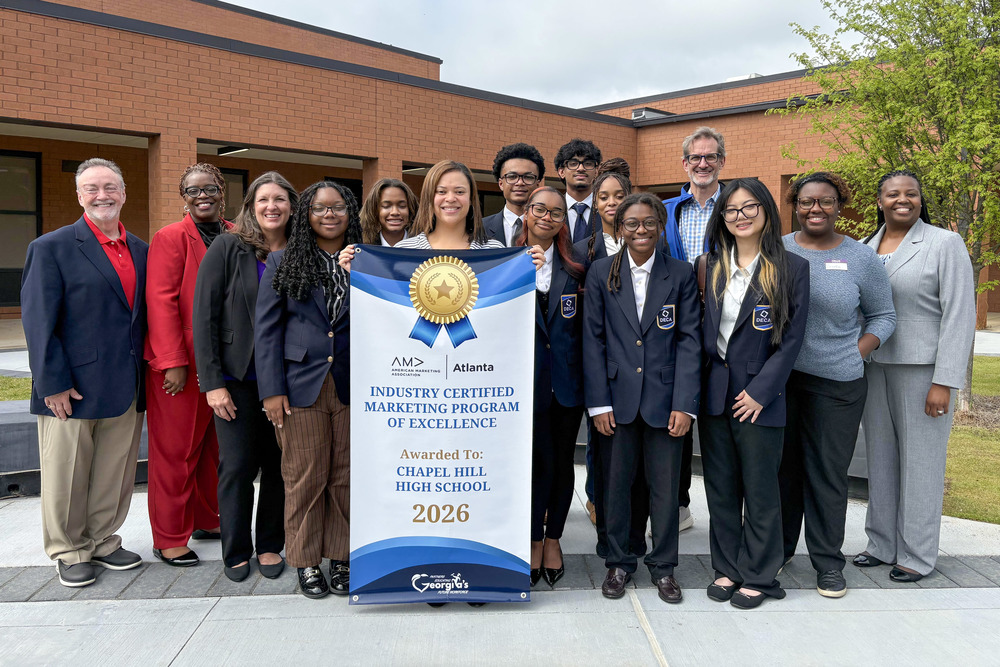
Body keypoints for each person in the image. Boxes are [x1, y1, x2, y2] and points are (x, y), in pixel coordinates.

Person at [21, 158, 147, 587]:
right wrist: (52, 382)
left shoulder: (142, 250)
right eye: (92, 188)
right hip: (69, 387)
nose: (102, 195)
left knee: (114, 470)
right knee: (66, 472)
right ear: (79, 196)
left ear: (123, 194)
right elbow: (39, 322)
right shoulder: (51, 247)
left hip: (125, 383)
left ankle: (102, 539)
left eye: (110, 187)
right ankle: (69, 548)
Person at [779, 172, 896, 598]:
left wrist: (857, 352)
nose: (816, 209)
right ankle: (779, 549)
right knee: (783, 470)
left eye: (826, 202)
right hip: (783, 380)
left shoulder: (860, 257)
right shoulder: (779, 248)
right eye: (808, 201)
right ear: (795, 204)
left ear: (839, 205)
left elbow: (885, 316)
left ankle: (828, 562)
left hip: (838, 383)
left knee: (827, 474)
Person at [857, 169, 975, 582]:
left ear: (921, 201)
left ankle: (917, 554)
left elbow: (960, 314)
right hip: (873, 369)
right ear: (880, 201)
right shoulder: (864, 248)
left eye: (911, 194)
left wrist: (945, 380)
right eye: (892, 194)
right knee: (881, 461)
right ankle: (881, 543)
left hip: (923, 373)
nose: (902, 200)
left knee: (921, 465)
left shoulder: (945, 243)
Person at [583, 193, 701, 604]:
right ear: (620, 228)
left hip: (666, 401)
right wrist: (598, 404)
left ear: (661, 225)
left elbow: (689, 341)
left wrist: (685, 404)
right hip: (614, 402)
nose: (640, 230)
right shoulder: (600, 273)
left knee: (665, 491)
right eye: (631, 223)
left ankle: (664, 567)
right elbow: (592, 340)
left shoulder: (681, 273)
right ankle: (619, 562)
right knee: (616, 487)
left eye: (649, 222)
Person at [699, 179, 809, 608]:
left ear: (765, 210)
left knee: (761, 490)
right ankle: (727, 568)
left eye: (749, 208)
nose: (740, 216)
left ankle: (760, 573)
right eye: (731, 210)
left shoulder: (791, 268)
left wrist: (761, 391)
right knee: (722, 489)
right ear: (721, 217)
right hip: (714, 395)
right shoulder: (707, 264)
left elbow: (792, 340)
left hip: (760, 398)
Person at [256, 180, 361, 599]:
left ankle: (340, 558)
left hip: (354, 385)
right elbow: (266, 332)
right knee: (303, 477)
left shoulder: (367, 260)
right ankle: (304, 561)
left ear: (350, 213)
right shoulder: (283, 262)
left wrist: (360, 276)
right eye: (320, 208)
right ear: (307, 215)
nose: (330, 214)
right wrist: (271, 390)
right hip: (300, 387)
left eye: (338, 207)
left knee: (345, 477)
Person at [192, 171, 296, 582]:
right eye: (263, 199)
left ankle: (270, 545)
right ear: (251, 206)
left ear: (292, 205)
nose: (272, 206)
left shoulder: (300, 251)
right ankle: (236, 549)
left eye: (281, 199)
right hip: (236, 379)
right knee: (236, 466)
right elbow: (204, 317)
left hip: (287, 381)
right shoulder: (228, 246)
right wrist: (212, 383)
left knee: (278, 466)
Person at [145, 163, 232, 567]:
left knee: (213, 448)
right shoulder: (171, 237)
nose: (203, 196)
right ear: (183, 196)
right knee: (176, 452)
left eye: (210, 188)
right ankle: (168, 536)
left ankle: (206, 517)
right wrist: (172, 362)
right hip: (182, 364)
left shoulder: (235, 233)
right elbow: (160, 302)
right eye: (193, 190)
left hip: (226, 363)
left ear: (222, 192)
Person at [575, 160, 649, 560]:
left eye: (619, 196)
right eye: (603, 196)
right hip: (599, 363)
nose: (611, 203)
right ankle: (601, 511)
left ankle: (633, 528)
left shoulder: (647, 241)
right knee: (601, 452)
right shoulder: (583, 249)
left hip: (641, 372)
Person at [661, 126, 728, 533]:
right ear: (684, 163)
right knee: (677, 417)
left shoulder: (739, 206)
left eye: (711, 156)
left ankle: (726, 509)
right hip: (675, 329)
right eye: (695, 158)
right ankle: (678, 506)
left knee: (721, 418)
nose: (703, 163)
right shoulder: (666, 210)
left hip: (727, 327)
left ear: (722, 161)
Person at [519, 187, 585, 587]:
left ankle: (552, 540)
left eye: (556, 212)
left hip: (565, 384)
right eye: (539, 209)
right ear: (526, 213)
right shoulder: (502, 260)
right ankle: (529, 539)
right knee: (530, 467)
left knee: (561, 465)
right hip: (521, 386)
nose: (546, 216)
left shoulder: (577, 266)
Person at [484, 143, 546, 246]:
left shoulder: (549, 227)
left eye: (528, 177)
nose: (520, 183)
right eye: (512, 176)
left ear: (537, 184)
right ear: (501, 184)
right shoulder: (479, 229)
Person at [555, 139, 602, 244]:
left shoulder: (607, 210)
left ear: (596, 171)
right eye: (573, 163)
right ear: (561, 171)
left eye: (588, 163)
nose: (581, 168)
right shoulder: (551, 212)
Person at [359, 178, 418, 246]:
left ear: (411, 209)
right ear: (374, 210)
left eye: (402, 206)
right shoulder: (362, 249)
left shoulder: (424, 248)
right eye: (386, 206)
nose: (395, 212)